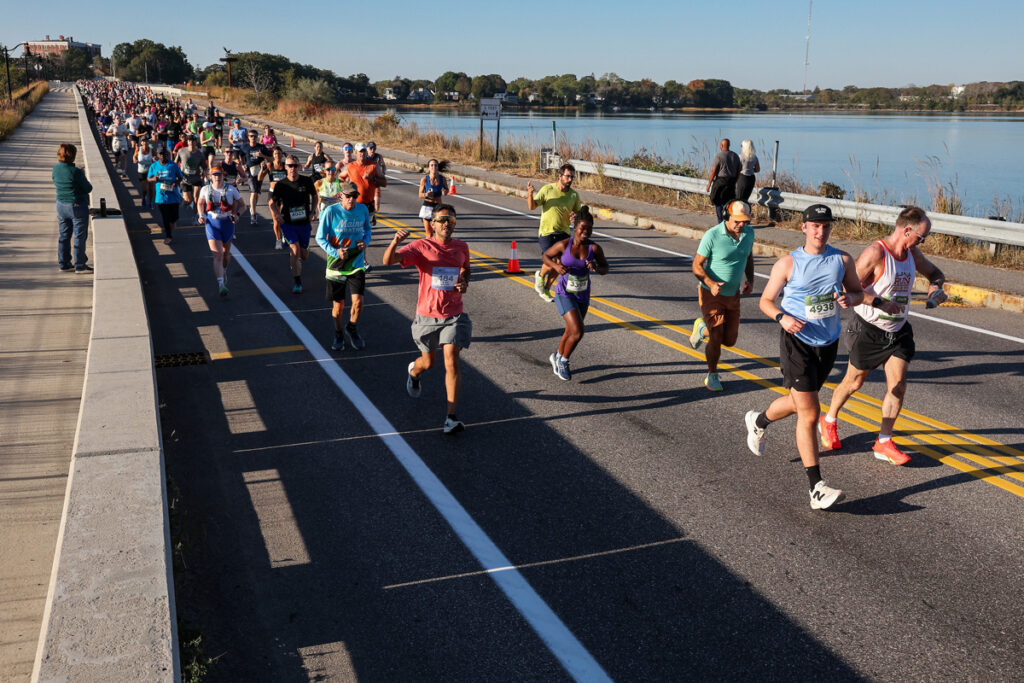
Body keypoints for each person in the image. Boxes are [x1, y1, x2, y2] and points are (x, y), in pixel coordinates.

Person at [743, 204, 865, 510]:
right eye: (815, 225)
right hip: (796, 342)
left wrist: (849, 298)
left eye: (826, 226)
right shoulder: (788, 263)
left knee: (799, 402)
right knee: (810, 412)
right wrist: (782, 317)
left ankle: (758, 420)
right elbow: (766, 301)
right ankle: (816, 488)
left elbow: (858, 293)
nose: (821, 231)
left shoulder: (842, 259)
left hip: (828, 342)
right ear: (804, 228)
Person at [819, 206, 947, 465]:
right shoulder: (876, 253)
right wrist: (878, 302)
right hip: (868, 329)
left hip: (898, 331)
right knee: (854, 383)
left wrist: (936, 287)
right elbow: (846, 290)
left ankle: (884, 441)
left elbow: (936, 273)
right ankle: (829, 419)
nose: (923, 242)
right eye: (922, 237)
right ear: (907, 230)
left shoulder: (912, 254)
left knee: (898, 385)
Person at [382, 204, 471, 434]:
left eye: (450, 220)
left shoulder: (461, 247)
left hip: (454, 314)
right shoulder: (422, 246)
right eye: (442, 220)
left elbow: (465, 269)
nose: (446, 224)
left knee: (451, 360)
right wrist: (394, 242)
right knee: (428, 363)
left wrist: (464, 282)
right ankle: (414, 371)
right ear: (433, 224)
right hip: (427, 315)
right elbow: (388, 261)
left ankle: (451, 418)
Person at [689, 200, 756, 391]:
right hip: (711, 293)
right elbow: (696, 265)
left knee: (729, 340)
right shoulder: (712, 235)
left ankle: (702, 328)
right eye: (737, 220)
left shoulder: (749, 233)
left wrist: (750, 281)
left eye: (745, 221)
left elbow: (748, 257)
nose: (741, 224)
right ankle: (712, 374)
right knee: (717, 336)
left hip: (733, 294)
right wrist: (710, 283)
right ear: (727, 216)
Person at [541, 206, 609, 381]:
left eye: (589, 229)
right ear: (575, 227)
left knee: (570, 330)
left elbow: (606, 268)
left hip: (582, 295)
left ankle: (557, 356)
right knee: (578, 331)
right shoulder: (564, 245)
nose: (586, 232)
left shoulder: (594, 248)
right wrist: (556, 266)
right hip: (564, 293)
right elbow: (546, 256)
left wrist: (596, 268)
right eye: (582, 228)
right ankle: (564, 361)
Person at [315, 180, 372, 351]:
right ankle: (338, 333)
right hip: (336, 264)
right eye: (348, 196)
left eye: (355, 196)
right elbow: (319, 237)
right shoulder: (331, 211)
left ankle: (352, 328)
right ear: (341, 195)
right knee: (338, 307)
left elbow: (368, 229)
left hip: (356, 262)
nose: (352, 199)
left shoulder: (362, 209)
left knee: (358, 302)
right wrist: (335, 252)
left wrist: (365, 242)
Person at [526, 163, 581, 302]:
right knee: (553, 261)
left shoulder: (574, 195)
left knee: (562, 263)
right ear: (559, 176)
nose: (570, 179)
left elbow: (578, 214)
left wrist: (575, 217)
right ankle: (540, 275)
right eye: (567, 176)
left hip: (564, 232)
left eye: (572, 177)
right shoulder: (547, 189)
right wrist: (530, 194)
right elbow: (532, 206)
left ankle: (546, 289)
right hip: (547, 232)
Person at [269, 154, 317, 293]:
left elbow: (315, 197)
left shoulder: (306, 181)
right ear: (286, 167)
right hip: (288, 224)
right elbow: (272, 203)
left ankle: (298, 257)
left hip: (304, 223)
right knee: (295, 250)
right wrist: (277, 214)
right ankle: (297, 282)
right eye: (290, 166)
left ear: (299, 167)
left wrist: (312, 212)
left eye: (295, 166)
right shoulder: (281, 184)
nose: (293, 168)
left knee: (304, 256)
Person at [197, 163, 245, 296]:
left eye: (219, 174)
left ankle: (223, 271)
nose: (217, 177)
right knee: (217, 255)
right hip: (212, 224)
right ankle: (221, 284)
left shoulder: (231, 190)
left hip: (227, 224)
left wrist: (237, 215)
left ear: (223, 176)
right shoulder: (205, 189)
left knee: (225, 255)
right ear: (210, 177)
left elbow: (243, 206)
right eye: (214, 175)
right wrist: (201, 215)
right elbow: (200, 203)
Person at [52, 143, 93, 273]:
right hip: (76, 206)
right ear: (72, 156)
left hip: (61, 205)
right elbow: (88, 188)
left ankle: (64, 263)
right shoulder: (75, 172)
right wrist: (82, 174)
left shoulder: (56, 169)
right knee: (79, 236)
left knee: (64, 236)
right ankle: (80, 265)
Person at [338, 143, 386, 225]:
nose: (362, 153)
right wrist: (345, 189)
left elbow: (384, 182)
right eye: (360, 151)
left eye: (364, 151)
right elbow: (340, 178)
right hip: (354, 204)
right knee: (354, 228)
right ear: (356, 153)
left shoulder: (374, 166)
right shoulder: (350, 166)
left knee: (367, 229)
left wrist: (373, 178)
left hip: (368, 204)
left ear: (366, 152)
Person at [148, 147, 184, 245]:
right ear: (157, 155)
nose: (163, 156)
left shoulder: (173, 165)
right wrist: (153, 179)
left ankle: (172, 223)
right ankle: (168, 236)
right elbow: (148, 178)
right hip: (161, 197)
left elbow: (180, 177)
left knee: (174, 217)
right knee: (165, 218)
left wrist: (176, 183)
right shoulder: (154, 166)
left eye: (165, 154)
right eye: (161, 154)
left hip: (173, 196)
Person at [705, 138, 741, 222]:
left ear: (721, 145)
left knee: (718, 202)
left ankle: (720, 221)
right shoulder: (735, 156)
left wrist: (709, 184)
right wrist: (735, 180)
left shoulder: (719, 156)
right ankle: (727, 220)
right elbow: (739, 170)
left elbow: (713, 171)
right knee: (728, 203)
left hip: (721, 182)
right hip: (731, 182)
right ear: (729, 145)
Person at [242, 129, 269, 225]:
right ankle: (253, 215)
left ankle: (252, 208)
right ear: (248, 137)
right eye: (251, 136)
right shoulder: (245, 146)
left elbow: (271, 158)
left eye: (255, 136)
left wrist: (263, 156)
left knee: (256, 193)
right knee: (253, 192)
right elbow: (238, 155)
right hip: (250, 172)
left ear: (257, 137)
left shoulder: (261, 147)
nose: (253, 138)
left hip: (259, 172)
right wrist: (242, 164)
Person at [418, 159, 449, 236]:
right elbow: (420, 195)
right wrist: (426, 194)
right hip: (427, 207)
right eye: (431, 165)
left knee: (440, 233)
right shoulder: (424, 179)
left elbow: (446, 189)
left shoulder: (442, 179)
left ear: (438, 167)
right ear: (428, 168)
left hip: (438, 208)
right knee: (429, 234)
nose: (434, 167)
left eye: (435, 165)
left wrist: (445, 192)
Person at [175, 137, 206, 212]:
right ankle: (186, 200)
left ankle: (195, 216)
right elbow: (175, 163)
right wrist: (175, 174)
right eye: (189, 141)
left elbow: (204, 167)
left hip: (196, 179)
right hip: (184, 179)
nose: (191, 142)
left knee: (196, 198)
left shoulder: (200, 154)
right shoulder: (181, 151)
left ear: (196, 142)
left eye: (193, 141)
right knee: (188, 200)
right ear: (187, 142)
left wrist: (204, 174)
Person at [735, 139, 760, 203]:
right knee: (746, 198)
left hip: (742, 177)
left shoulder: (740, 157)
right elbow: (757, 169)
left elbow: (737, 169)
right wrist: (750, 169)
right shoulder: (754, 157)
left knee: (739, 197)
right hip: (751, 178)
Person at [134, 139, 155, 209]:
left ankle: (151, 202)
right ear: (141, 143)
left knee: (151, 189)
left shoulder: (151, 150)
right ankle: (144, 197)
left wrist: (155, 159)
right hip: (142, 171)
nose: (145, 142)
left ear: (148, 142)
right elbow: (134, 156)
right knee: (145, 189)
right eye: (144, 141)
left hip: (150, 172)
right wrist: (135, 160)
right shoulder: (138, 149)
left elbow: (157, 157)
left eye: (146, 141)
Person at [366, 141, 386, 212]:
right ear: (367, 149)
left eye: (374, 148)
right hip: (367, 183)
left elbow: (383, 166)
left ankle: (373, 213)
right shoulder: (364, 156)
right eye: (371, 148)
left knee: (377, 206)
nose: (372, 150)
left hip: (375, 182)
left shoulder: (378, 157)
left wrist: (382, 173)